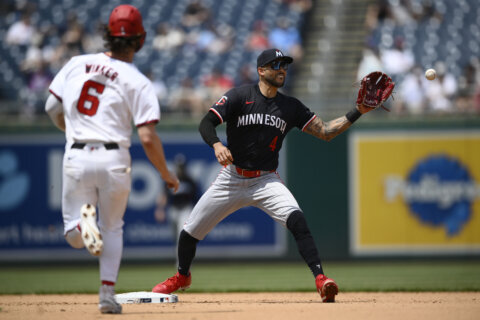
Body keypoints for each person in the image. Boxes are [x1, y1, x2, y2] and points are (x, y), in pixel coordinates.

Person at [152, 48, 389, 302]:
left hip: (266, 180)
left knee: (297, 220)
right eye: (275, 64)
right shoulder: (239, 96)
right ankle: (181, 276)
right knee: (188, 234)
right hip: (232, 178)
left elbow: (327, 131)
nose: (281, 69)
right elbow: (206, 123)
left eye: (284, 65)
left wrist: (358, 111)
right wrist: (217, 145)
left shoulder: (290, 107)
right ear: (261, 70)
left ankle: (321, 279)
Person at [45, 5, 179, 314]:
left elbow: (52, 107)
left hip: (77, 153)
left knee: (73, 235)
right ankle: (107, 296)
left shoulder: (77, 63)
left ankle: (81, 226)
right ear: (140, 40)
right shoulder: (139, 81)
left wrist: (73, 130)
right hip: (115, 158)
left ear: (107, 35)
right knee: (114, 227)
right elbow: (147, 137)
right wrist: (166, 174)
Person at [155, 154, 199, 260]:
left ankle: (181, 267)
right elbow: (164, 195)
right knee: (176, 238)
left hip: (186, 209)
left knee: (181, 237)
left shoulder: (190, 180)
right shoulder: (170, 180)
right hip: (173, 210)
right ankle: (182, 262)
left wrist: (196, 214)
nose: (180, 169)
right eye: (179, 166)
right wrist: (160, 209)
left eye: (182, 166)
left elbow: (196, 199)